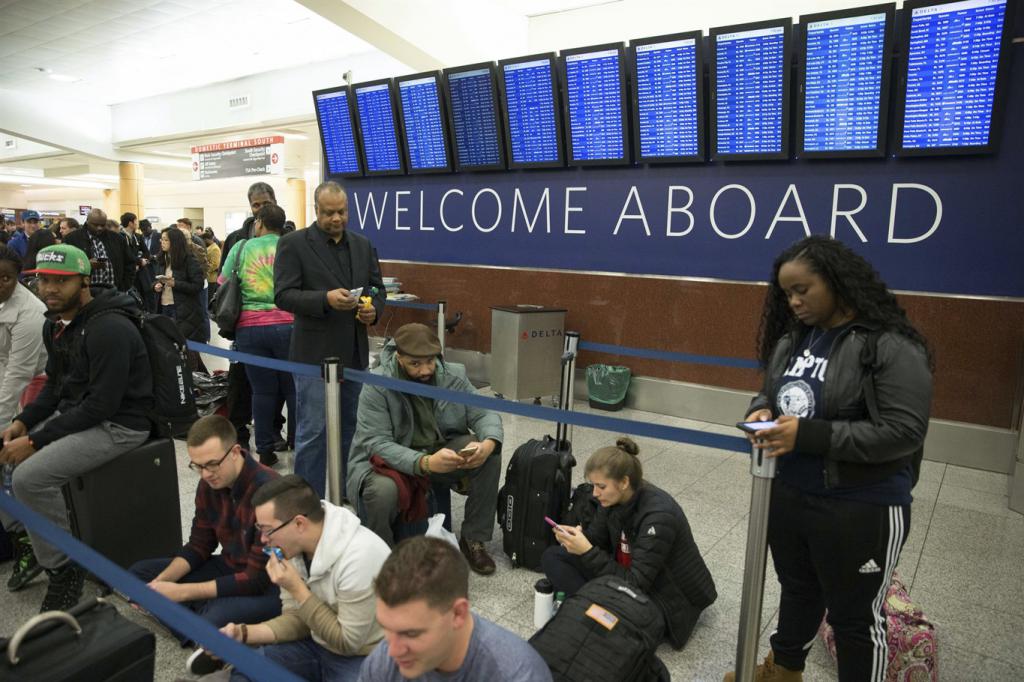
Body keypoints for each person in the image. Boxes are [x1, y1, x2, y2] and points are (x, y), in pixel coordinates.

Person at [722, 235, 933, 682]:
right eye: (786, 293)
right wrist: (759, 410)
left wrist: (810, 434)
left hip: (862, 505)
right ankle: (781, 672)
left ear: (837, 281)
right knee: (798, 591)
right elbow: (772, 390)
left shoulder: (888, 344)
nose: (793, 301)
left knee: (855, 619)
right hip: (791, 493)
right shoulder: (793, 340)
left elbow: (903, 432)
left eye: (803, 289)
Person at [0, 244, 153, 611]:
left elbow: (103, 405)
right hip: (83, 414)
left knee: (28, 477)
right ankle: (34, 540)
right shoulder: (56, 324)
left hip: (121, 425)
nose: (50, 289)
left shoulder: (110, 328)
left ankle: (62, 568)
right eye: (44, 281)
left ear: (84, 281)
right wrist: (22, 422)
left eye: (62, 281)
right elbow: (54, 386)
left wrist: (35, 441)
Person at [194, 475, 391, 680]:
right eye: (259, 529)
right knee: (249, 667)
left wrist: (297, 589)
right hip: (317, 643)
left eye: (267, 530)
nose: (263, 539)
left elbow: (347, 642)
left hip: (363, 657)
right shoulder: (293, 548)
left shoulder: (359, 558)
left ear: (299, 523)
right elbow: (298, 619)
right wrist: (243, 634)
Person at [349, 323, 501, 575]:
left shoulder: (453, 375)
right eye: (415, 364)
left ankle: (473, 538)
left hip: (438, 452)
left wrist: (488, 443)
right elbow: (377, 443)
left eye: (430, 361)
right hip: (387, 462)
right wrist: (425, 463)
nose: (425, 370)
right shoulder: (377, 384)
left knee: (489, 457)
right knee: (381, 492)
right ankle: (382, 558)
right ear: (398, 357)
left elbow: (484, 411)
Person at [541, 437, 717, 649]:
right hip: (625, 576)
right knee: (553, 556)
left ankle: (594, 612)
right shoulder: (612, 499)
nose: (595, 494)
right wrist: (577, 537)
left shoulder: (659, 516)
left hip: (665, 598)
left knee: (633, 623)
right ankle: (597, 612)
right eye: (593, 485)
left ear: (624, 482)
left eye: (601, 486)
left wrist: (586, 551)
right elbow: (596, 540)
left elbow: (636, 584)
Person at [274, 180, 385, 499]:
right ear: (316, 210)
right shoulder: (294, 244)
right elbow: (283, 295)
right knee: (313, 431)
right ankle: (306, 498)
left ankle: (347, 489)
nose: (336, 218)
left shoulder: (363, 244)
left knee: (352, 426)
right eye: (329, 213)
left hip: (353, 354)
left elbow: (377, 287)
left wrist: (372, 310)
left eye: (342, 212)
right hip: (313, 355)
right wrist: (324, 299)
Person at [130, 415, 282, 646]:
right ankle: (199, 624)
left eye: (212, 464)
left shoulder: (269, 490)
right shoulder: (209, 483)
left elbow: (256, 580)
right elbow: (199, 545)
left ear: (235, 452)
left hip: (270, 583)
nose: (205, 474)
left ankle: (199, 621)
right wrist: (159, 584)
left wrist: (183, 593)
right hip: (229, 566)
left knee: (214, 617)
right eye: (197, 466)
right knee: (138, 576)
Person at [359, 536, 552, 682]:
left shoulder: (517, 675)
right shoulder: (383, 664)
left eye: (410, 633)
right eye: (386, 627)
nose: (392, 650)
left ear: (458, 614)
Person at [218, 204, 295, 467]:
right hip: (288, 325)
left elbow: (222, 281)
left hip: (249, 328)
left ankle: (264, 450)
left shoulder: (241, 248)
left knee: (261, 392)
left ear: (259, 222)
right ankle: (297, 442)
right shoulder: (291, 246)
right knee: (292, 389)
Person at [0, 245, 48, 428]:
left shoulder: (31, 313)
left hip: (33, 380)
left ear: (17, 278)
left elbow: (19, 373)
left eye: (6, 278)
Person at [154, 227, 206, 371]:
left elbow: (198, 285)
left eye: (165, 240)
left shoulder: (189, 259)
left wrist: (175, 283)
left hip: (184, 311)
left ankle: (195, 382)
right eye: (161, 240)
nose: (162, 243)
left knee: (188, 350)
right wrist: (157, 285)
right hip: (165, 307)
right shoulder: (162, 259)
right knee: (170, 347)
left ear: (175, 242)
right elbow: (156, 280)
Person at [64, 208, 135, 291]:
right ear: (87, 222)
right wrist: (86, 264)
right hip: (85, 293)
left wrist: (124, 286)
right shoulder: (72, 239)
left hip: (113, 292)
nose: (99, 228)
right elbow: (66, 265)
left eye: (102, 225)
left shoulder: (117, 239)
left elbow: (130, 263)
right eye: (95, 225)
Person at [177, 217, 211, 342]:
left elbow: (205, 267)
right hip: (188, 286)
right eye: (178, 225)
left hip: (200, 284)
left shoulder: (198, 245)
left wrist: (196, 281)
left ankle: (205, 337)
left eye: (182, 225)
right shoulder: (178, 249)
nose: (179, 227)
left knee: (202, 311)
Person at [202, 228, 221, 302]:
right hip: (208, 277)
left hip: (212, 278)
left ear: (206, 239)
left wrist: (205, 270)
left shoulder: (215, 249)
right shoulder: (210, 248)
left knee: (209, 298)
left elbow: (215, 264)